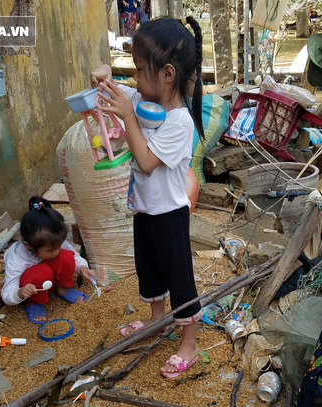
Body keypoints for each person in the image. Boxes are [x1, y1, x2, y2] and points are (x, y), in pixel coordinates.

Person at [89, 17, 205, 379]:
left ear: (167, 73)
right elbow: (120, 94)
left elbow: (147, 161)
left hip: (170, 215)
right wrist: (104, 76)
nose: (135, 79)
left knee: (180, 277)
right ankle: (158, 321)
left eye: (140, 70)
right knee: (149, 270)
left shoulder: (179, 122)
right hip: (143, 210)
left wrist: (128, 118)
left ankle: (190, 343)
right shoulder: (142, 97)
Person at [1, 197, 95, 324]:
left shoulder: (53, 242)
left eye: (59, 246)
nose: (56, 251)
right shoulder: (16, 257)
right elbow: (7, 294)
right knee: (42, 271)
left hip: (50, 279)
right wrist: (21, 292)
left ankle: (63, 288)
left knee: (67, 256)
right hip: (32, 287)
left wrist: (83, 268)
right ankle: (33, 301)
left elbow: (75, 257)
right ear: (28, 245)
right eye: (50, 250)